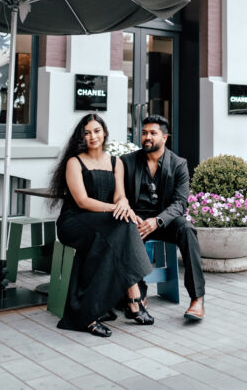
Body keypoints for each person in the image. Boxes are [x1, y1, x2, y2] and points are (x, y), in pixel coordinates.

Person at [48, 113, 155, 337]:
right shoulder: (74, 162)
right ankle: (132, 298)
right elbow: (82, 201)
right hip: (74, 221)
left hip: (103, 221)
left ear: (104, 133)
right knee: (121, 226)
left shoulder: (116, 162)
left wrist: (124, 205)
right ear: (82, 137)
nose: (92, 136)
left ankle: (121, 301)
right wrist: (114, 209)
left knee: (124, 224)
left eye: (96, 131)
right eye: (87, 133)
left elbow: (119, 196)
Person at [122, 115, 206, 322]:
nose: (147, 137)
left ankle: (197, 299)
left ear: (164, 137)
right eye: (144, 133)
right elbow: (120, 195)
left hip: (164, 220)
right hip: (137, 220)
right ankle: (138, 295)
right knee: (127, 232)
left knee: (187, 230)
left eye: (153, 133)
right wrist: (133, 216)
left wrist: (158, 220)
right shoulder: (127, 161)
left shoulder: (178, 164)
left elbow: (180, 203)